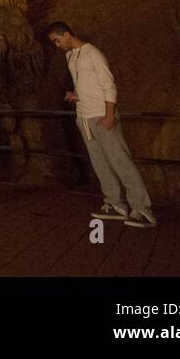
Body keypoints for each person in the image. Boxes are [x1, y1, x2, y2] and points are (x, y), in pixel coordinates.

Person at [48, 21, 156, 228]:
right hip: (85, 118)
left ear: (67, 34)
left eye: (57, 40)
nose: (57, 45)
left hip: (101, 116)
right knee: (100, 164)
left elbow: (108, 85)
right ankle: (115, 203)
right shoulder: (70, 56)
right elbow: (87, 84)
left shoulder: (93, 54)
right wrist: (76, 95)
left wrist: (109, 116)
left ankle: (142, 208)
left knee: (120, 162)